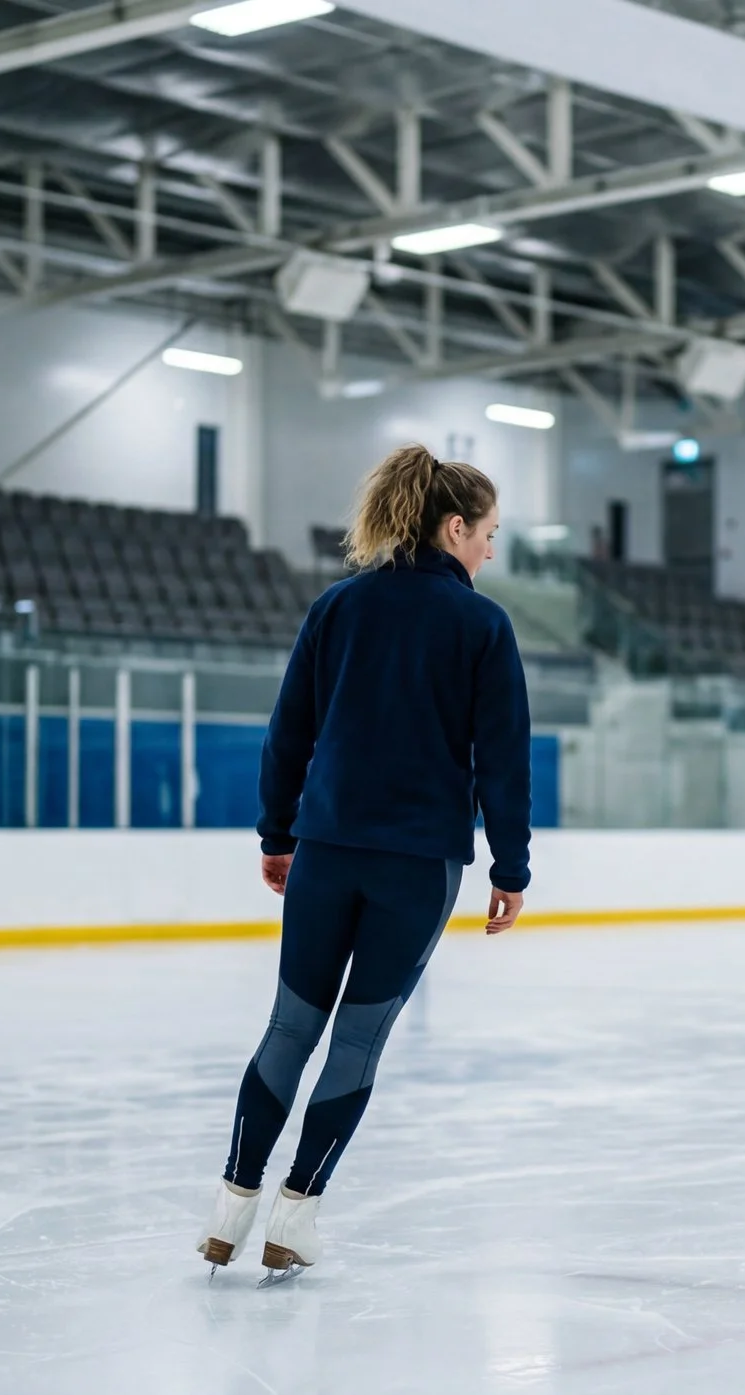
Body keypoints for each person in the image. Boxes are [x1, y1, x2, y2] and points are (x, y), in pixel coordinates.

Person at [197, 444, 532, 1286]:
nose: (491, 549)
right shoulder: (482, 625)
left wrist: (279, 833)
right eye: (488, 533)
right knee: (356, 1041)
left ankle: (230, 1206)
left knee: (288, 1027)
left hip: (326, 850)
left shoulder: (337, 607)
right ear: (454, 527)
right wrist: (512, 865)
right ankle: (295, 1217)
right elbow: (503, 760)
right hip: (415, 866)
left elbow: (289, 731)